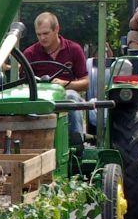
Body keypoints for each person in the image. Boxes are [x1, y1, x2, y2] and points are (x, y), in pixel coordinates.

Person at [23, 11, 91, 144]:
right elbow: (23, 85)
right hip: (40, 96)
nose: (42, 38)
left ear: (56, 29)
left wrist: (65, 84)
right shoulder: (30, 54)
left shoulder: (74, 49)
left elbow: (86, 82)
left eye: (46, 33)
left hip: (65, 93)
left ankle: (76, 142)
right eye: (39, 34)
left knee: (71, 97)